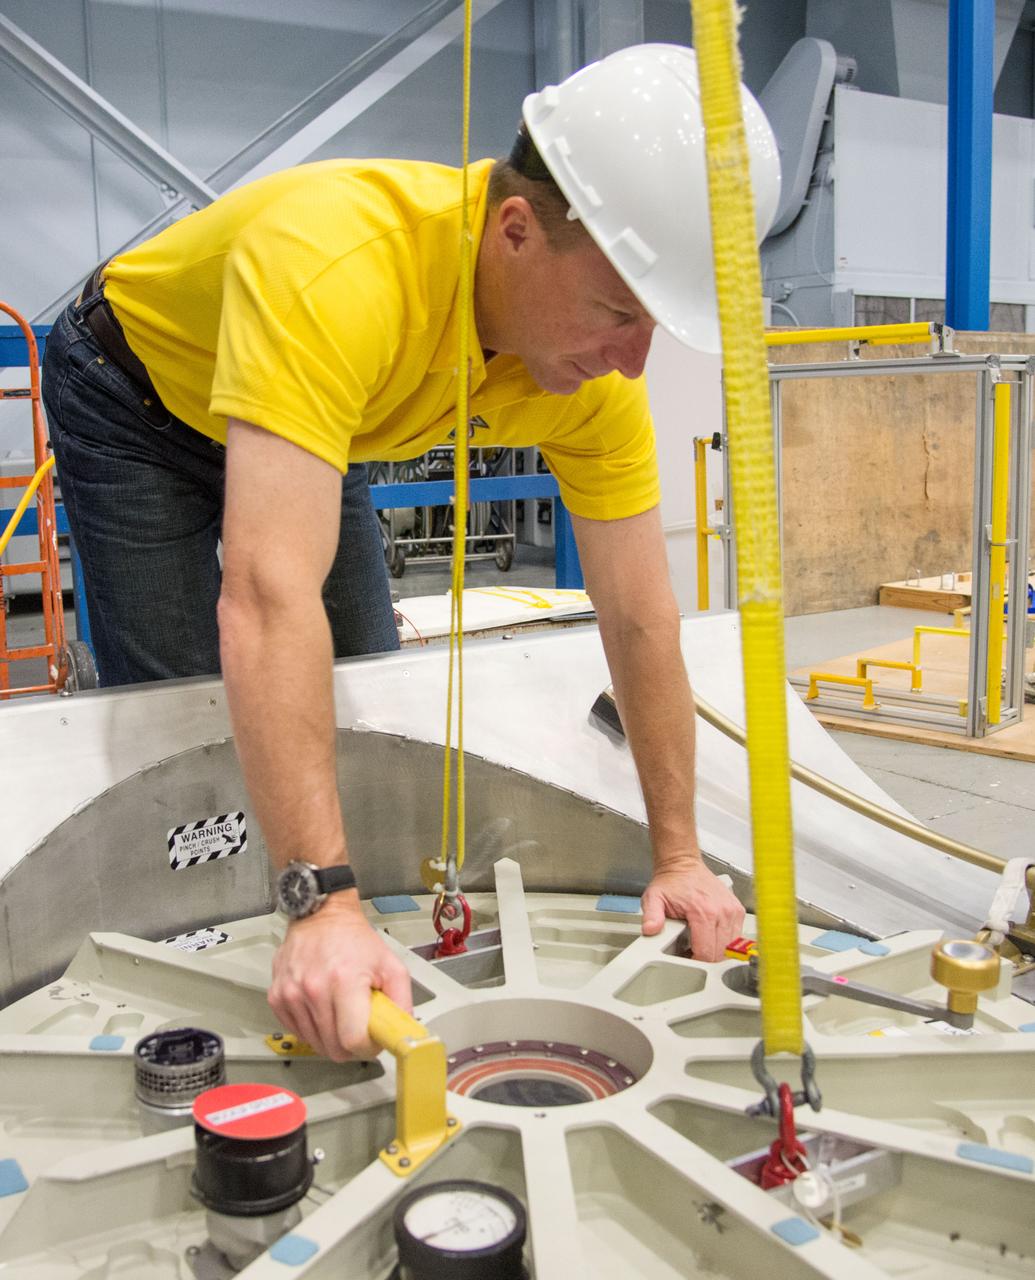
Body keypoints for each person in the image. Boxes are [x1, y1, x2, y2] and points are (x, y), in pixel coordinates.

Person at [41, 44, 780, 1060]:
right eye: (617, 312)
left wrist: (682, 853)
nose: (633, 359)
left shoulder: (592, 379)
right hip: (138, 395)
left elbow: (641, 615)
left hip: (332, 414)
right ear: (516, 231)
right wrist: (317, 901)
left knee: (360, 685)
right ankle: (255, 934)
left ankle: (339, 907)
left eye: (655, 325)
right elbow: (266, 597)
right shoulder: (343, 266)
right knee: (185, 718)